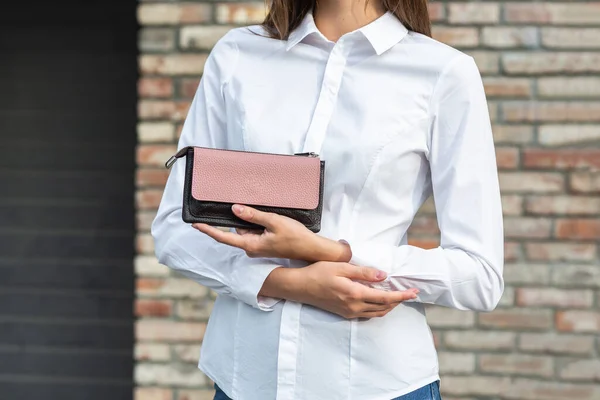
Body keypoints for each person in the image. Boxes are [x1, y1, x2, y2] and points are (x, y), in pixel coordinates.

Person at [151, 0, 505, 398]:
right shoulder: (237, 55)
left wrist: (337, 253)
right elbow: (174, 230)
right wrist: (288, 283)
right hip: (245, 381)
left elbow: (480, 275)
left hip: (379, 384)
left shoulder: (443, 73)